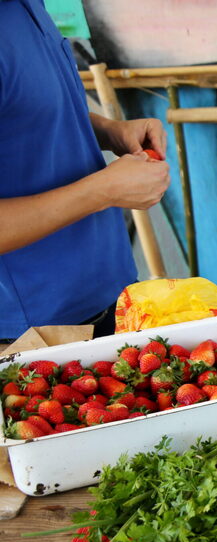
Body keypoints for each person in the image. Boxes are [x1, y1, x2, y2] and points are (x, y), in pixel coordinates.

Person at [0, 0, 170, 341]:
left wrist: (108, 130)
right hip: (34, 334)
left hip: (111, 294)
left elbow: (27, 107)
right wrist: (103, 190)